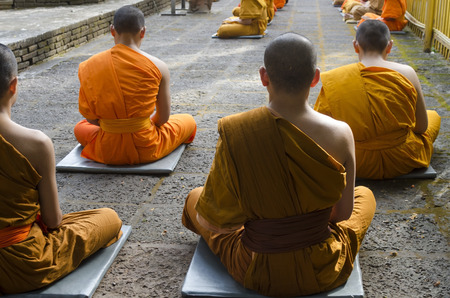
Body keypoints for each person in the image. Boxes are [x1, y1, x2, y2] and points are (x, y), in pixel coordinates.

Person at [182, 33, 376, 297]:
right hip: (322, 267)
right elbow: (342, 215)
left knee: (196, 197)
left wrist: (269, 218)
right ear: (315, 78)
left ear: (264, 77)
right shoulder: (341, 133)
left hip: (256, 268)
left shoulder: (239, 130)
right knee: (365, 195)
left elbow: (218, 222)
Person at [0, 43, 123, 295]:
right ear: (13, 85)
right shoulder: (36, 143)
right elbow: (54, 221)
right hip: (23, 264)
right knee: (109, 218)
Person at [315, 20, 441, 179]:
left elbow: (323, 128)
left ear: (355, 45)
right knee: (434, 116)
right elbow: (421, 127)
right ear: (390, 46)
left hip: (355, 160)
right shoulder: (407, 72)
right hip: (402, 158)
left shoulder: (337, 78)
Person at [74, 5, 197, 165]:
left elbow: (91, 120)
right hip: (147, 145)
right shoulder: (158, 66)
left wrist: (117, 126)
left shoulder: (89, 65)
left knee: (80, 127)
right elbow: (163, 118)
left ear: (112, 30)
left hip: (108, 147)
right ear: (143, 32)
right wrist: (138, 125)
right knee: (188, 121)